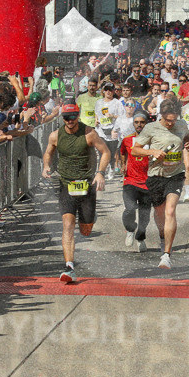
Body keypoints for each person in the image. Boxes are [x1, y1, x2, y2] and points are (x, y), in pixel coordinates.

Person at [42, 103, 111, 283]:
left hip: (87, 184)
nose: (70, 121)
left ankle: (88, 219)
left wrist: (100, 173)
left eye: (73, 117)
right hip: (66, 183)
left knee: (86, 230)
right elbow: (48, 153)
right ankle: (69, 266)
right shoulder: (55, 136)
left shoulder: (89, 134)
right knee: (68, 225)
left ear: (78, 116)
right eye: (66, 118)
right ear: (62, 118)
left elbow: (105, 152)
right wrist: (46, 166)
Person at [131, 98, 189, 270]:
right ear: (161, 116)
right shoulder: (151, 128)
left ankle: (167, 255)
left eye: (173, 120)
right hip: (156, 176)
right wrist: (151, 151)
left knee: (170, 210)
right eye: (167, 120)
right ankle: (162, 237)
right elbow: (135, 149)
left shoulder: (181, 125)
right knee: (159, 213)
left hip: (175, 175)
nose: (170, 123)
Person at [121, 111, 152, 252]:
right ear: (133, 123)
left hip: (148, 182)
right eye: (136, 122)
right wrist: (123, 164)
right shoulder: (127, 139)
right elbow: (122, 152)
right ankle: (130, 230)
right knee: (130, 209)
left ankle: (140, 238)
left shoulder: (152, 139)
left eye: (142, 122)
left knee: (145, 215)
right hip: (130, 181)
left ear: (146, 123)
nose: (139, 125)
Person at [94, 82, 125, 180]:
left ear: (113, 91)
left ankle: (111, 168)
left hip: (112, 131)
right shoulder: (99, 102)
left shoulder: (117, 103)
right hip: (101, 131)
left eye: (110, 90)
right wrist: (96, 120)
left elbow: (122, 116)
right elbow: (96, 113)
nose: (108, 92)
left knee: (111, 153)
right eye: (106, 90)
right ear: (103, 91)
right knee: (101, 152)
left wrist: (112, 116)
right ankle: (101, 172)